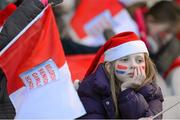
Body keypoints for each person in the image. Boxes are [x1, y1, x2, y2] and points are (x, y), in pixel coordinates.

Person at [77, 31, 164, 119]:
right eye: (125, 60)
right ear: (109, 67)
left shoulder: (152, 91)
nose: (134, 65)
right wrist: (127, 90)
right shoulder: (90, 89)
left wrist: (128, 94)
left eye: (139, 60)